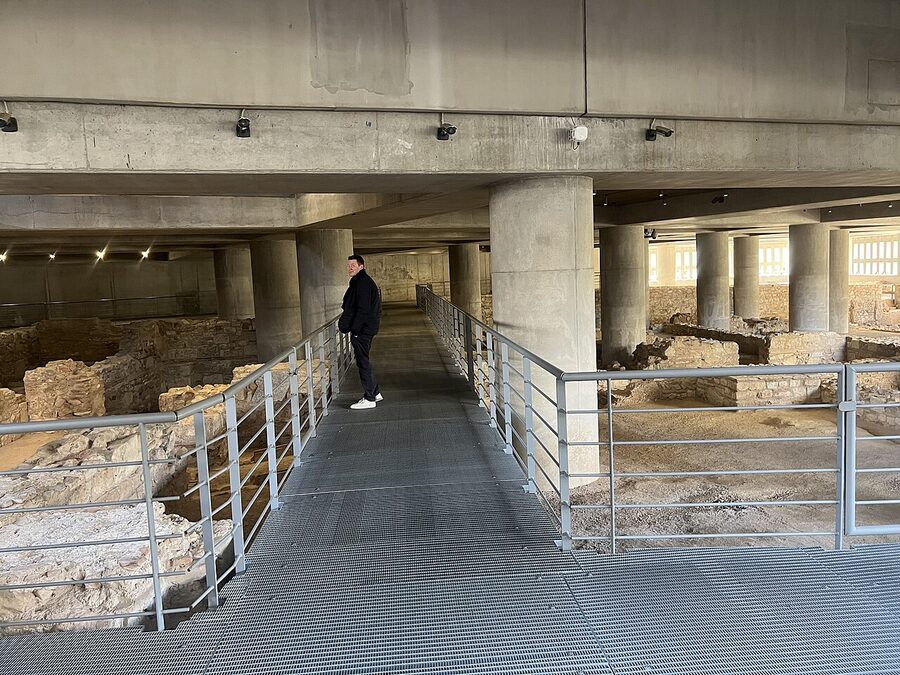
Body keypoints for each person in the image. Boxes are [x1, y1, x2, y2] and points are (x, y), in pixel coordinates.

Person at [339, 254, 383, 410]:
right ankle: (375, 392)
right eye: (348, 265)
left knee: (363, 362)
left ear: (361, 266)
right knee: (363, 361)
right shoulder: (360, 282)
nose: (350, 268)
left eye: (353, 265)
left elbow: (363, 309)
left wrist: (356, 329)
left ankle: (369, 398)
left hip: (363, 330)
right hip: (365, 329)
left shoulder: (363, 283)